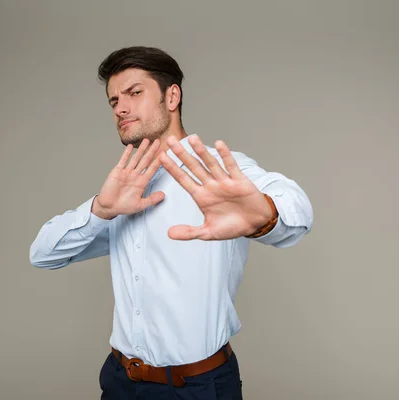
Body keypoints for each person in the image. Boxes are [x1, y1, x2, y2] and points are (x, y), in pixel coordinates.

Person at [29, 46, 313, 399]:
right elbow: (43, 254)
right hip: (119, 381)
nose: (120, 107)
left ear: (172, 95)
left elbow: (296, 207)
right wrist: (101, 209)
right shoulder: (123, 189)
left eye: (134, 92)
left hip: (195, 386)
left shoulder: (218, 173)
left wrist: (265, 215)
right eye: (113, 100)